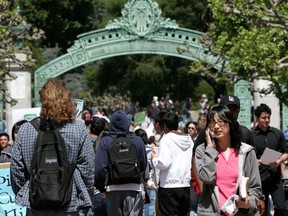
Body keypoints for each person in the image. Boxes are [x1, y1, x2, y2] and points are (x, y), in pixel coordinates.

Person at [10, 78, 95, 215]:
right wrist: (85, 192)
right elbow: (88, 169)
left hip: (36, 203)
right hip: (70, 202)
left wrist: (27, 191)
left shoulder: (26, 129)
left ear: (43, 101)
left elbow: (16, 171)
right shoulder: (78, 128)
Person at [195, 105, 262, 215]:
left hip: (240, 212)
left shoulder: (246, 152)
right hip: (213, 212)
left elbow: (255, 187)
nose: (216, 126)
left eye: (220, 121)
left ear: (230, 123)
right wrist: (211, 150)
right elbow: (207, 178)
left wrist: (249, 202)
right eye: (212, 122)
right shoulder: (202, 151)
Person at [94, 110, 147, 216]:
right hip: (134, 189)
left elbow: (100, 169)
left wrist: (101, 188)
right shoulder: (137, 141)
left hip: (112, 191)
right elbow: (144, 165)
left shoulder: (105, 141)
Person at [151, 111, 193, 216]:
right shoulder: (189, 139)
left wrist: (154, 159)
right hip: (185, 185)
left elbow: (164, 163)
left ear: (164, 125)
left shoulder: (166, 139)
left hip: (169, 186)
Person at [253, 103, 288, 216]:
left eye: (268, 117)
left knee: (281, 207)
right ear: (257, 119)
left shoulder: (277, 133)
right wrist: (255, 162)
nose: (266, 120)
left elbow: (286, 152)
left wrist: (278, 161)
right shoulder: (251, 135)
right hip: (259, 179)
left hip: (275, 178)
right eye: (263, 118)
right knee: (262, 210)